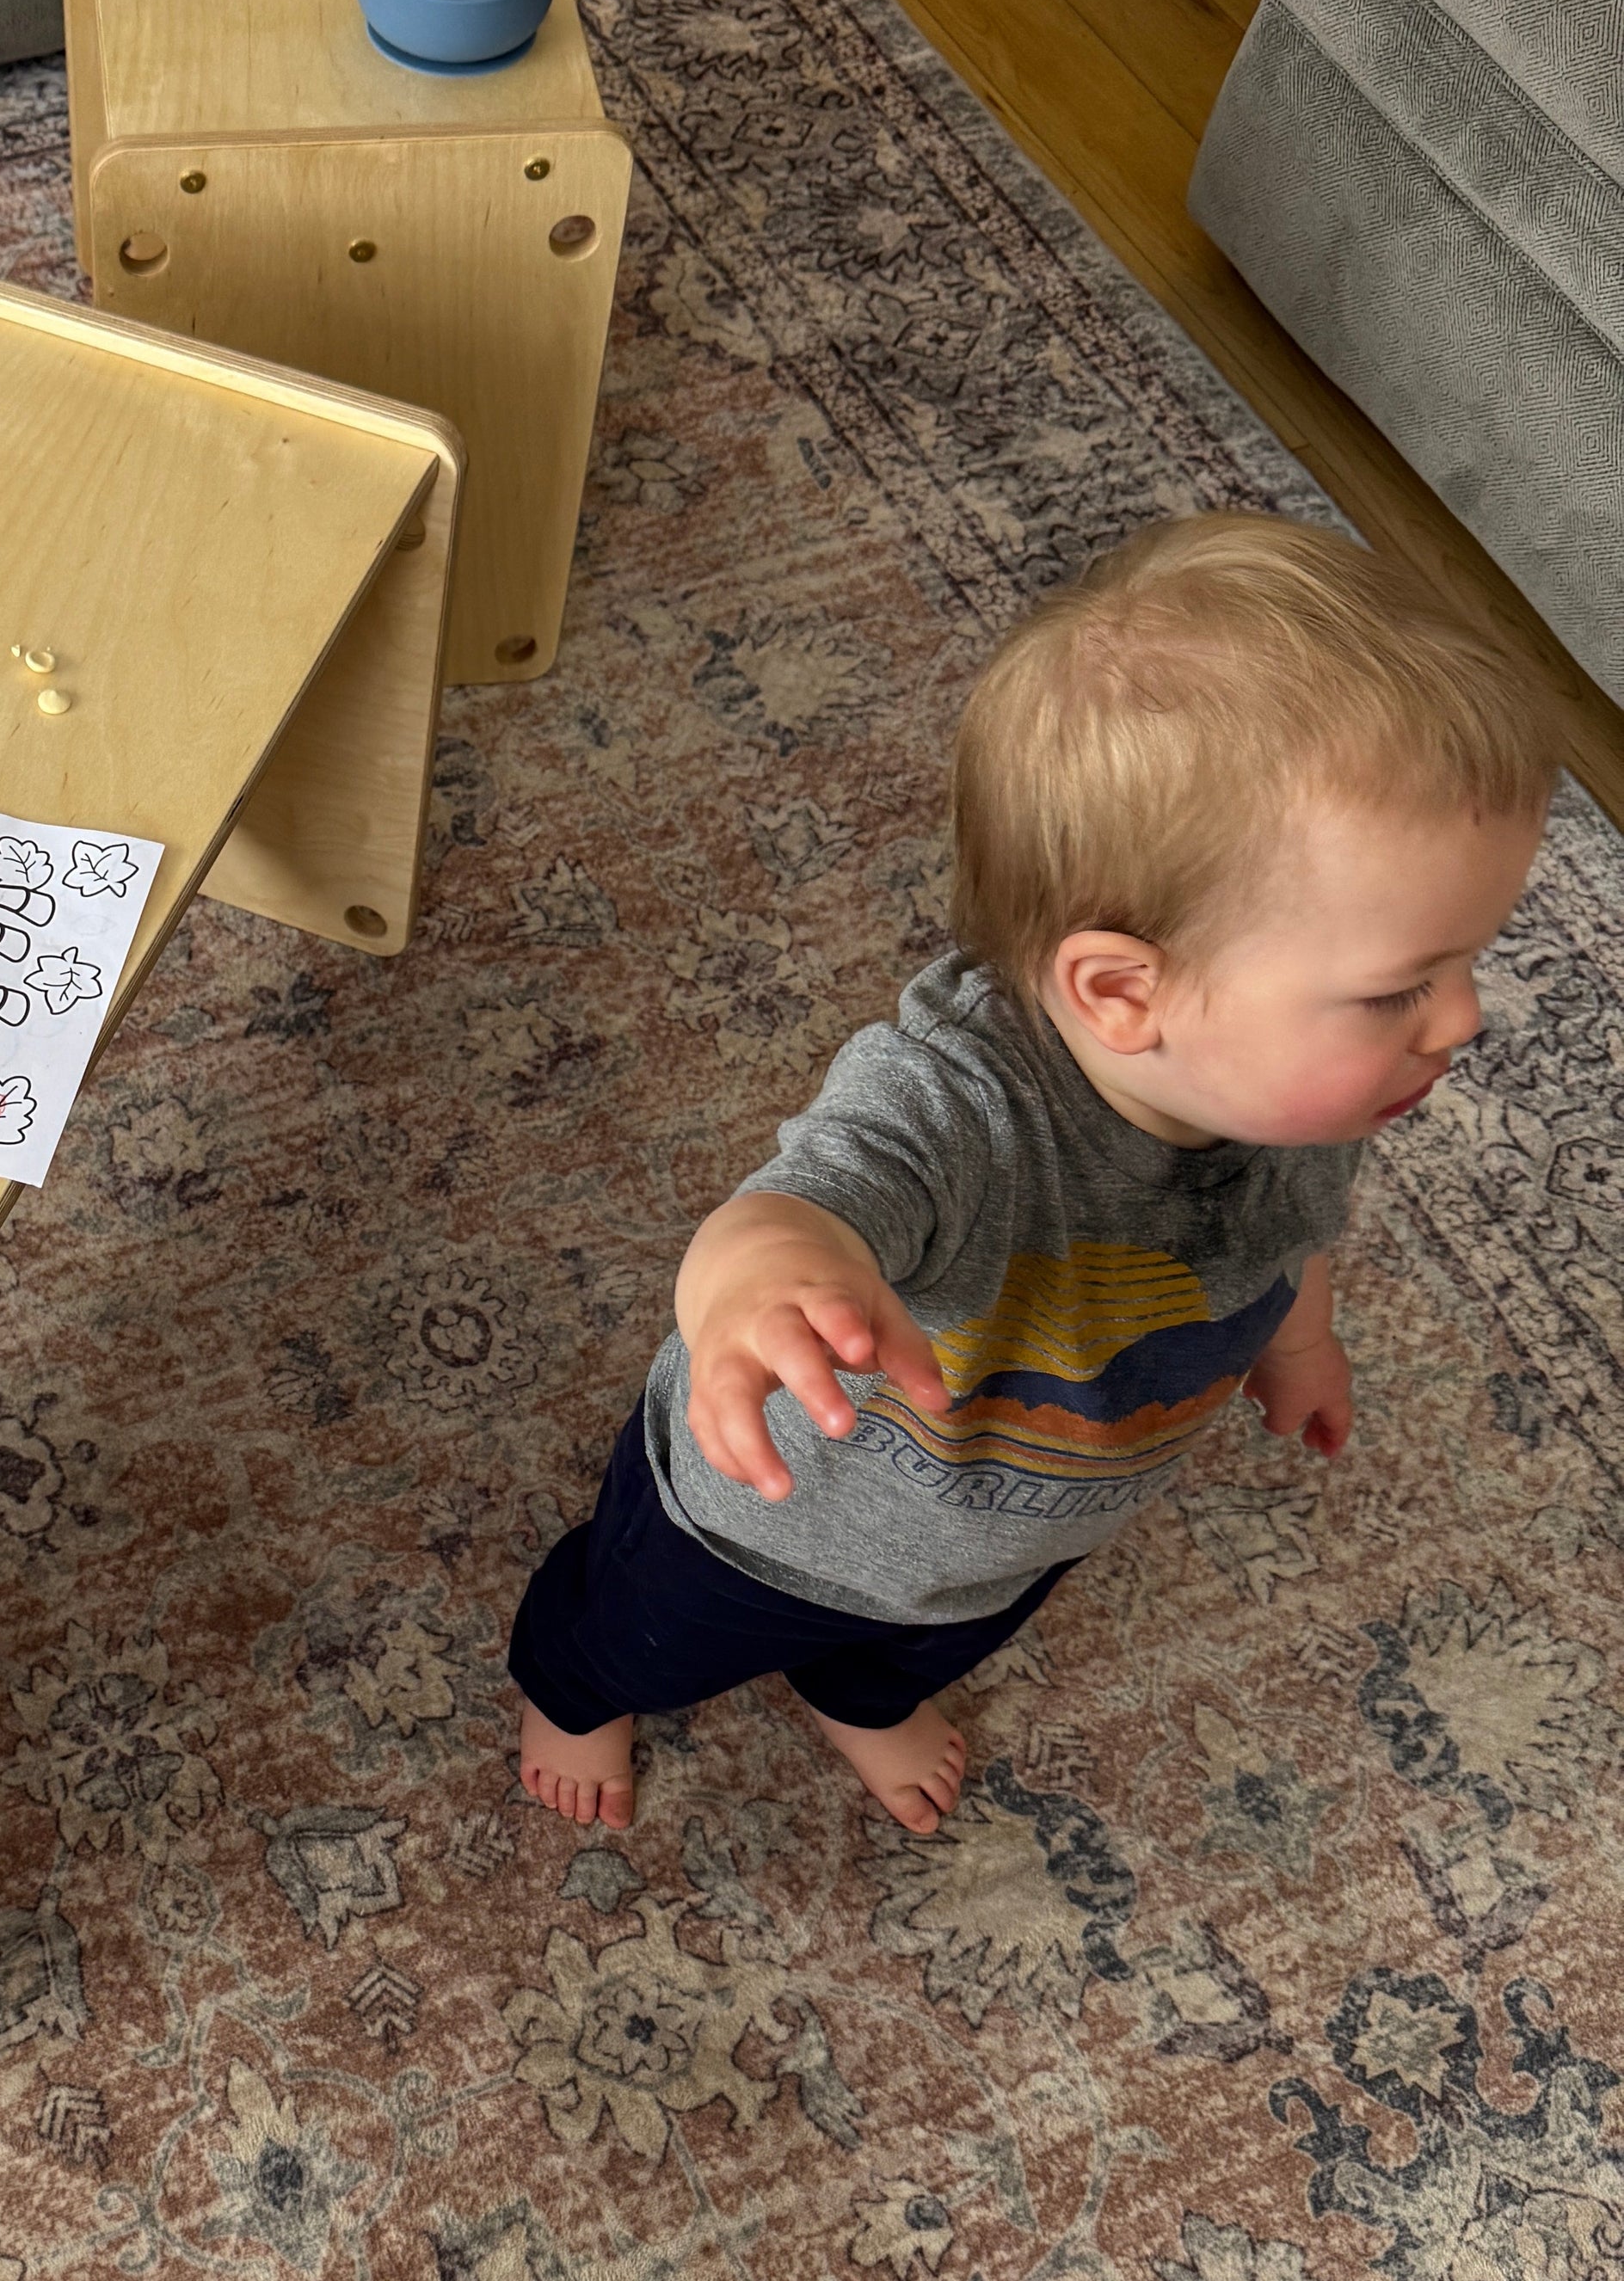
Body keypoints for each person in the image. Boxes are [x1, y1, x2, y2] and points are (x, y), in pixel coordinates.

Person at [508, 513, 1557, 1834]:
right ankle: (571, 1692)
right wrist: (766, 1281)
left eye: (1465, 963)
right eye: (1401, 986)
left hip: (1016, 1529)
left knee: (926, 1643)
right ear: (1126, 992)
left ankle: (862, 1695)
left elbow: (1294, 1236)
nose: (1460, 1021)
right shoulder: (962, 1104)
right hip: (774, 1530)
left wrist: (1303, 1345)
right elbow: (805, 1203)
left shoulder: (1312, 1090)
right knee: (634, 1632)